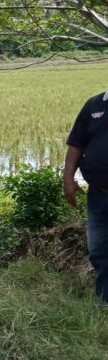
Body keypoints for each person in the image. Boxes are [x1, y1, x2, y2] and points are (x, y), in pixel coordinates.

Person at [63, 89, 108, 307]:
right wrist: (68, 178)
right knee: (99, 250)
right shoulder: (94, 105)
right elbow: (76, 144)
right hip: (98, 194)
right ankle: (104, 300)